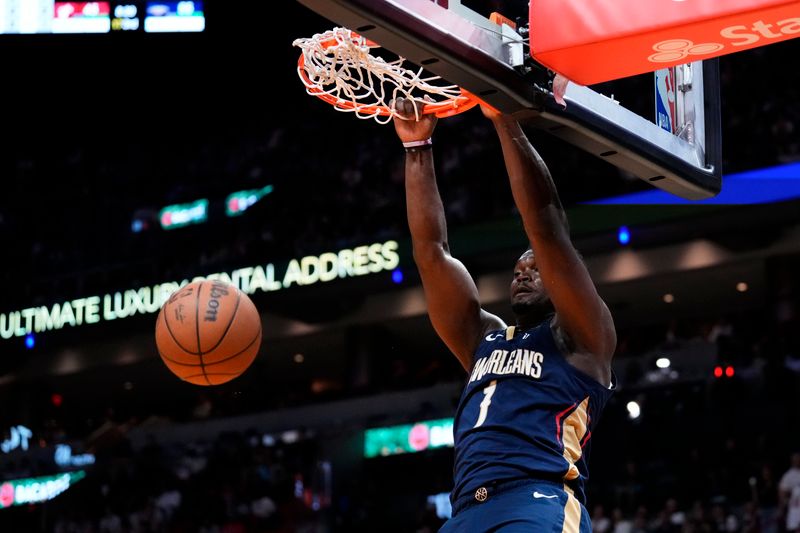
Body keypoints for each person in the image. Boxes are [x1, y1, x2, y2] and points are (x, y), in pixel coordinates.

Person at [392, 97, 617, 532]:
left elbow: (546, 225)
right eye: (518, 270)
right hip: (464, 514)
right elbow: (432, 254)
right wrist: (417, 147)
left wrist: (504, 121)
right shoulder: (485, 338)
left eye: (536, 268)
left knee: (545, 235)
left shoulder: (584, 337)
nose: (524, 274)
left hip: (537, 499)